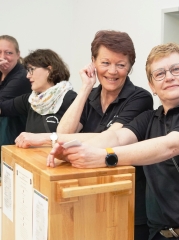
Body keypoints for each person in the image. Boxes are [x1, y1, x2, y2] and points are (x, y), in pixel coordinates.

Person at [48, 42, 179, 240]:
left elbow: (170, 146)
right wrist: (67, 149)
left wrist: (105, 157)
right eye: (160, 74)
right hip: (158, 234)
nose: (169, 77)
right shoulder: (150, 118)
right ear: (152, 86)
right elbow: (115, 137)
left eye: (176, 69)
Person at [11, 30, 153, 240]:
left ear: (130, 66)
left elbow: (108, 139)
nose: (112, 71)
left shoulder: (139, 98)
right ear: (93, 62)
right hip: (88, 198)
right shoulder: (92, 96)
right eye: (105, 63)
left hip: (125, 201)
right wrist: (86, 87)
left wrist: (43, 138)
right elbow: (64, 132)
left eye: (121, 65)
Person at [0, 49, 77, 135]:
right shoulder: (30, 100)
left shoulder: (71, 99)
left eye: (31, 70)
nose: (28, 76)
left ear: (49, 70)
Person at [0, 35, 31, 158]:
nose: (2, 57)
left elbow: (1, 105)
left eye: (8, 53)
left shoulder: (22, 76)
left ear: (18, 55)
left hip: (13, 133)